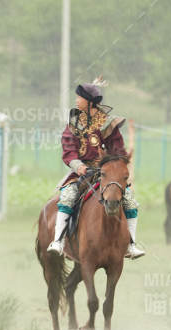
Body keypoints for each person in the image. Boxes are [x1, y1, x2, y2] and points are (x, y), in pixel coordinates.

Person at [46, 77, 144, 259]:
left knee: (129, 201)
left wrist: (111, 165)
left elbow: (118, 150)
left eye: (79, 98)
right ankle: (58, 241)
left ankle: (131, 244)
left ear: (89, 102)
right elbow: (68, 150)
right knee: (67, 197)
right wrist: (79, 166)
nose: (76, 101)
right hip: (81, 172)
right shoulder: (74, 123)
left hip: (106, 173)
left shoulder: (108, 123)